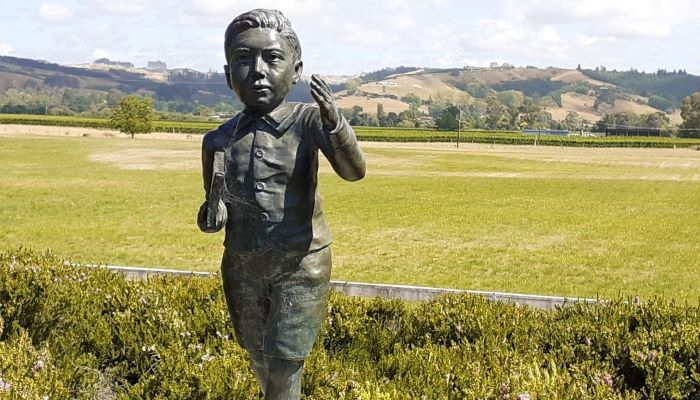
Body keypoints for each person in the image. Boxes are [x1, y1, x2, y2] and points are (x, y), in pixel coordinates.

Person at [197, 8, 365, 400]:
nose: (257, 70)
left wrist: (335, 123)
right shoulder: (217, 140)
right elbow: (212, 209)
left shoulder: (308, 122)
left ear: (296, 69)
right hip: (242, 264)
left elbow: (354, 171)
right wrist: (211, 215)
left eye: (272, 58)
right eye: (243, 59)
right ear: (227, 75)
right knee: (256, 353)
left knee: (286, 360)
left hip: (300, 263)